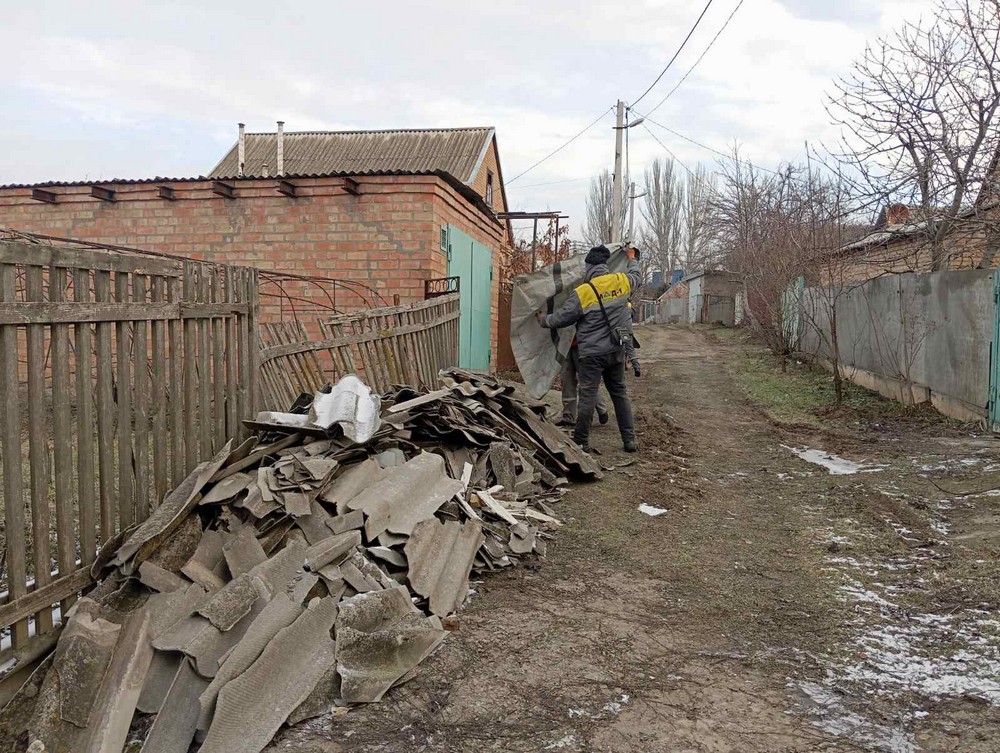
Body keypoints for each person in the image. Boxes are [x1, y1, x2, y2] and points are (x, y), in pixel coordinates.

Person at [537, 244, 641, 453]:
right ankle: (629, 440)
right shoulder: (621, 281)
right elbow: (636, 275)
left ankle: (582, 441)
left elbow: (562, 318)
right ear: (605, 265)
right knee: (619, 393)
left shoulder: (583, 292)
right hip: (615, 349)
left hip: (591, 354)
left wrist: (543, 320)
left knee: (587, 395)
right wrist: (631, 257)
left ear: (589, 267)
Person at [557, 339, 610, 427]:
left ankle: (601, 408)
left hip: (583, 344)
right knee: (566, 379)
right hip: (565, 344)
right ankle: (568, 417)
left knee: (587, 381)